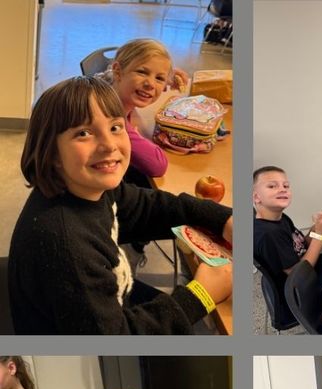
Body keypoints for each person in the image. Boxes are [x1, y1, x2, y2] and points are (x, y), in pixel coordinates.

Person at [10, 76, 232, 335]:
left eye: (115, 128)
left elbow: (146, 206)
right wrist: (201, 295)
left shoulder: (92, 187)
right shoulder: (66, 244)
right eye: (83, 133)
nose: (109, 145)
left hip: (107, 301)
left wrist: (222, 219)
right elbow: (114, 337)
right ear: (52, 153)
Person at [252, 165, 322, 323]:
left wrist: (316, 228)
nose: (282, 189)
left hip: (306, 272)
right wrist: (320, 235)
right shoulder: (268, 234)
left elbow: (301, 244)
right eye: (272, 186)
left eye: (286, 186)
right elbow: (298, 273)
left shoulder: (280, 218)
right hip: (300, 291)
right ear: (256, 197)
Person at [107, 39, 187, 180]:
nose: (150, 84)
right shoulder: (110, 115)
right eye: (142, 72)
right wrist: (134, 136)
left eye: (159, 78)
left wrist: (165, 77)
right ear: (117, 71)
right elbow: (157, 165)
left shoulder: (108, 88)